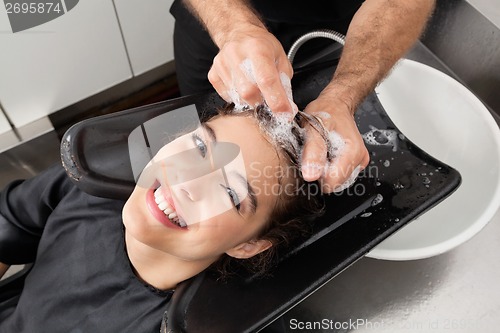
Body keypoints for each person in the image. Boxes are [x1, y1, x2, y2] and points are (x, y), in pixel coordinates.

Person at [0, 105, 326, 332]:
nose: (187, 181)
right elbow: (9, 223)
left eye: (229, 194)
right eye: (200, 146)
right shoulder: (92, 186)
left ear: (248, 245)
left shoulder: (209, 324)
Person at [170, 0, 436, 192]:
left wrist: (341, 97)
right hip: (218, 18)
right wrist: (234, 29)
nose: (186, 190)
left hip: (351, 29)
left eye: (232, 196)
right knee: (201, 121)